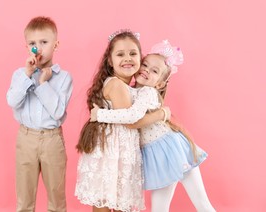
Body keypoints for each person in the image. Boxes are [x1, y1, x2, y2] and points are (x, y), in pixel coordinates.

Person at [90, 40, 215, 212]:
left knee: (202, 204)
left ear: (160, 84)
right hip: (156, 156)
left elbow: (133, 120)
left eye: (154, 71)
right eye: (146, 65)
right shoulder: (131, 90)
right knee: (160, 209)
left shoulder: (148, 92)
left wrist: (101, 114)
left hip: (172, 149)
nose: (147, 70)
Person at [75, 30, 169, 212]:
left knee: (114, 202)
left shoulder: (127, 86)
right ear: (110, 61)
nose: (127, 58)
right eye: (120, 54)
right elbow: (131, 121)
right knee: (108, 202)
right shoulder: (117, 85)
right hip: (113, 154)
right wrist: (161, 114)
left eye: (133, 54)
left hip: (119, 153)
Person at [6, 16, 73, 212]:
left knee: (56, 196)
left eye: (44, 42)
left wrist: (43, 83)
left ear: (55, 44)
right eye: (33, 43)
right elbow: (12, 101)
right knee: (24, 197)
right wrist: (28, 75)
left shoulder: (64, 78)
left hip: (52, 139)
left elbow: (58, 112)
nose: (38, 48)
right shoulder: (20, 74)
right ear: (27, 47)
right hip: (26, 138)